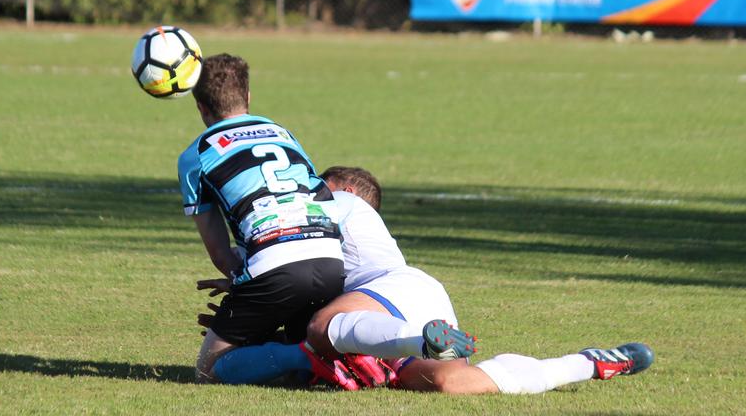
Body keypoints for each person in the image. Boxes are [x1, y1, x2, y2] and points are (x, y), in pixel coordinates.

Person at [202, 166, 654, 394]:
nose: (313, 192)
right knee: (448, 382)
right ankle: (589, 363)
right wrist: (250, 292)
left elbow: (288, 248)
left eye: (325, 184)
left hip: (389, 291)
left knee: (321, 331)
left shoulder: (342, 204)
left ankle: (416, 342)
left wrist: (250, 277)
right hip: (416, 303)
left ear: (351, 191)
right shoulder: (336, 224)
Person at [178, 53, 345, 382]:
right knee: (292, 366)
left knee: (209, 370)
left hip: (274, 264)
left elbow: (220, 253)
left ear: (200, 107)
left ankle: (304, 356)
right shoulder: (283, 132)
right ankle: (319, 356)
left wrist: (245, 291)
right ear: (249, 97)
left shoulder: (195, 156)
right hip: (330, 259)